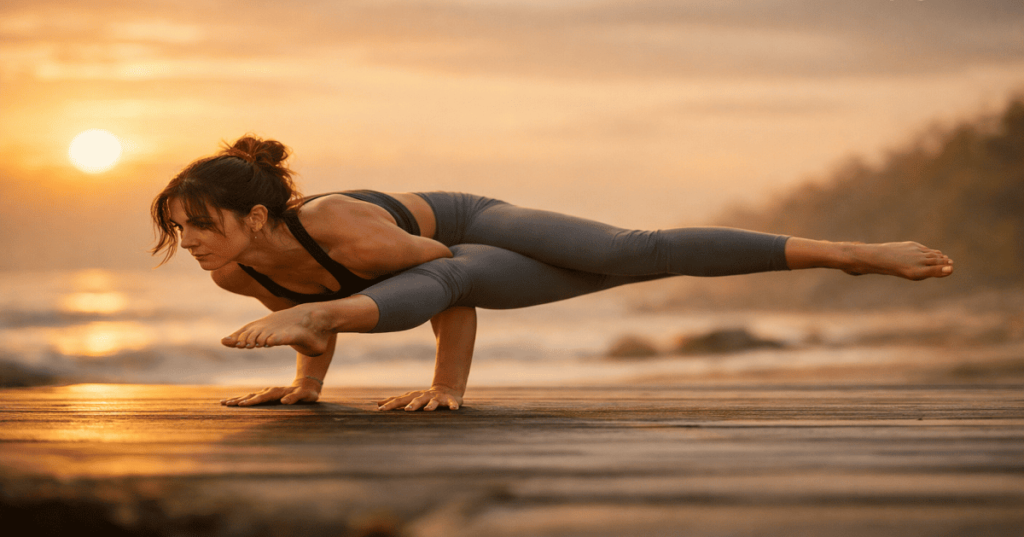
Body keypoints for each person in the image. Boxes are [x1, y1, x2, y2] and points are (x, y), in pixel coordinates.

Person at [152, 136, 954, 411]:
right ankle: (324, 333)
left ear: (257, 217)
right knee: (629, 269)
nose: (189, 242)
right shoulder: (233, 274)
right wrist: (306, 387)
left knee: (630, 252)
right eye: (180, 230)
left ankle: (849, 252)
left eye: (200, 225)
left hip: (464, 225)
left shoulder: (338, 223)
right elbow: (304, 297)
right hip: (420, 269)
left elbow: (450, 278)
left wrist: (446, 387)